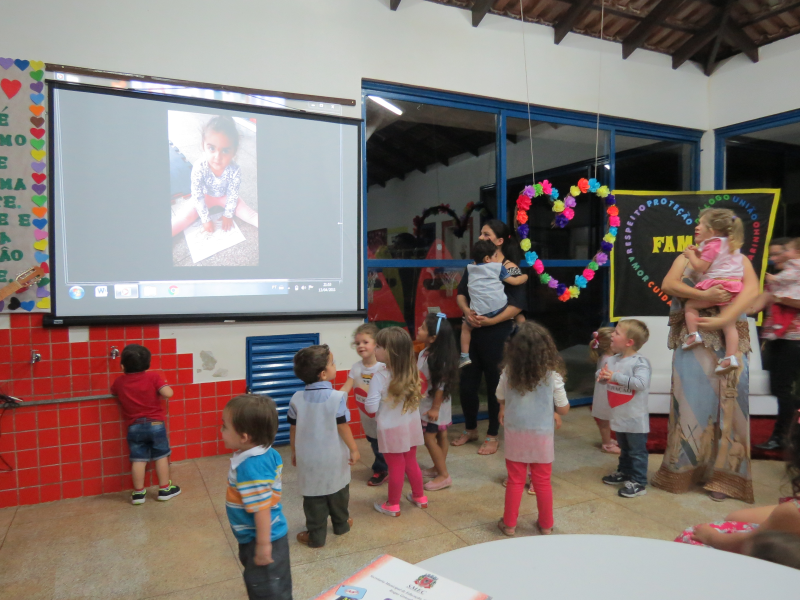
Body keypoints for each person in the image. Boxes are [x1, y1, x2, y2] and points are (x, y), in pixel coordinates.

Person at [652, 242, 760, 502]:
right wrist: (706, 297)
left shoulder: (738, 259)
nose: (699, 230)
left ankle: (726, 478)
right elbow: (669, 285)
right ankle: (685, 472)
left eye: (705, 226)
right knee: (690, 407)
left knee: (732, 406)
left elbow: (752, 293)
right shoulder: (685, 258)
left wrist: (725, 311)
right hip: (693, 342)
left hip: (731, 344)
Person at [453, 220, 528, 456]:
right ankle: (471, 429)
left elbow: (517, 305)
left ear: (500, 240)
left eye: (487, 234)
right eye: (482, 234)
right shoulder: (473, 266)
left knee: (496, 386)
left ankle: (493, 435)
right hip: (472, 330)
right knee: (467, 384)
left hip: (498, 333)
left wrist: (491, 321)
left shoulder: (511, 268)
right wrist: (468, 313)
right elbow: (461, 294)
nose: (482, 237)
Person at [675, 416, 800, 554]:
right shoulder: (790, 513)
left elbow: (749, 543)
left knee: (690, 536)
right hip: (788, 520)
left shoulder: (791, 513)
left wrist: (711, 537)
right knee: (735, 518)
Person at [497, 322, 570, 536]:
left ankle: (509, 524)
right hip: (542, 436)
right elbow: (564, 409)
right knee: (542, 481)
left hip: (516, 434)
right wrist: (554, 410)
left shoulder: (508, 372)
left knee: (515, 480)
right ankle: (546, 525)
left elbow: (499, 396)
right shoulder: (552, 376)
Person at [221, 394, 291, 600]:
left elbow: (261, 508)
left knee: (268, 591)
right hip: (260, 536)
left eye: (224, 426)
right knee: (272, 587)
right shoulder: (268, 453)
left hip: (261, 539)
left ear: (244, 437)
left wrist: (263, 545)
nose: (221, 431)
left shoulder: (251, 468)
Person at [288, 345, 359, 548]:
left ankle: (316, 535)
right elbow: (343, 427)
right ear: (323, 374)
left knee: (313, 497)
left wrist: (294, 450)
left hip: (308, 458)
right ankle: (341, 524)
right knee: (339, 492)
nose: (335, 365)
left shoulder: (296, 399)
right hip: (334, 456)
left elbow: (293, 429)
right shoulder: (337, 398)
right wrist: (354, 449)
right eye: (332, 363)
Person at [365, 327, 428, 517]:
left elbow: (371, 408)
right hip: (411, 427)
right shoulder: (414, 373)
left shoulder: (380, 377)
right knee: (411, 462)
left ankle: (392, 504)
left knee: (396, 466)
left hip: (390, 429)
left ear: (390, 352)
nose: (374, 349)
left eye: (379, 346)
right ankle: (419, 497)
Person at [110, 344, 181, 505]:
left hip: (134, 426)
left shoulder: (120, 381)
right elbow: (168, 393)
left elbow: (113, 391)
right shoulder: (153, 377)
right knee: (161, 456)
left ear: (122, 366)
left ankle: (138, 493)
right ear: (147, 364)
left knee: (138, 459)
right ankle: (164, 489)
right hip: (155, 424)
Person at [171, 115, 259, 236]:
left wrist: (228, 214)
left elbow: (233, 194)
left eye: (225, 150)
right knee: (184, 218)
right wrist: (205, 219)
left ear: (234, 151)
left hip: (226, 197)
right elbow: (197, 195)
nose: (218, 157)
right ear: (203, 145)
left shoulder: (235, 170)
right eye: (212, 148)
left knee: (251, 215)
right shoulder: (199, 167)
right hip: (204, 196)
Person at [681, 209, 745, 375]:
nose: (697, 226)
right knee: (728, 323)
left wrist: (690, 255)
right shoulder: (732, 243)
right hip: (734, 286)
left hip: (717, 284)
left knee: (690, 305)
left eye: (701, 223)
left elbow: (701, 266)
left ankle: (693, 334)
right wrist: (698, 252)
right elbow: (719, 260)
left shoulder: (713, 244)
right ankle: (731, 357)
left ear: (712, 230)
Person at [751, 238, 800, 451]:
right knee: (779, 388)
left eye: (780, 253)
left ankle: (782, 438)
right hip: (776, 340)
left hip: (794, 341)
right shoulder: (778, 281)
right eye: (773, 255)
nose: (775, 258)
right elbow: (755, 305)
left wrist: (777, 298)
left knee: (785, 390)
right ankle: (785, 436)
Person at [599, 320, 652, 498]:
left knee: (637, 451)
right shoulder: (612, 360)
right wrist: (602, 377)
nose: (612, 335)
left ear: (629, 342)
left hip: (635, 417)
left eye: (617, 333)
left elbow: (641, 384)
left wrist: (615, 376)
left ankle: (639, 481)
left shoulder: (639, 362)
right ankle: (624, 472)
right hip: (619, 415)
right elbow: (604, 374)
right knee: (624, 448)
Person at [460, 240, 528, 368]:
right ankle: (523, 347)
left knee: (465, 327)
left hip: (477, 313)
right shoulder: (498, 267)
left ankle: (464, 356)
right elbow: (514, 281)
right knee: (519, 317)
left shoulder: (470, 269)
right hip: (499, 309)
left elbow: (461, 292)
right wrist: (525, 277)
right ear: (487, 258)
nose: (497, 258)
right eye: (495, 255)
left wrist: (467, 310)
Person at [340, 323, 388, 485]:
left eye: (365, 342)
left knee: (386, 444)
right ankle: (384, 467)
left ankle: (383, 469)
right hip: (367, 418)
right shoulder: (356, 368)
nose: (361, 346)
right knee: (374, 443)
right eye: (358, 343)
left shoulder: (383, 367)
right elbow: (347, 387)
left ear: (376, 344)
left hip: (384, 417)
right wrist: (333, 397)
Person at [416, 312, 459, 491]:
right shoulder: (425, 352)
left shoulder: (437, 359)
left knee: (429, 438)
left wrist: (434, 408)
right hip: (431, 404)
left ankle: (443, 475)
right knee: (441, 435)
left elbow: (440, 386)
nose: (418, 328)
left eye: (423, 328)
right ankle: (437, 468)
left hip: (433, 406)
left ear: (433, 338)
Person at [589, 327, 619, 454]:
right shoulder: (608, 360)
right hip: (605, 396)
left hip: (603, 394)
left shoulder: (606, 357)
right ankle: (607, 444)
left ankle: (608, 441)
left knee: (605, 421)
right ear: (611, 344)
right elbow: (606, 377)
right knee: (605, 422)